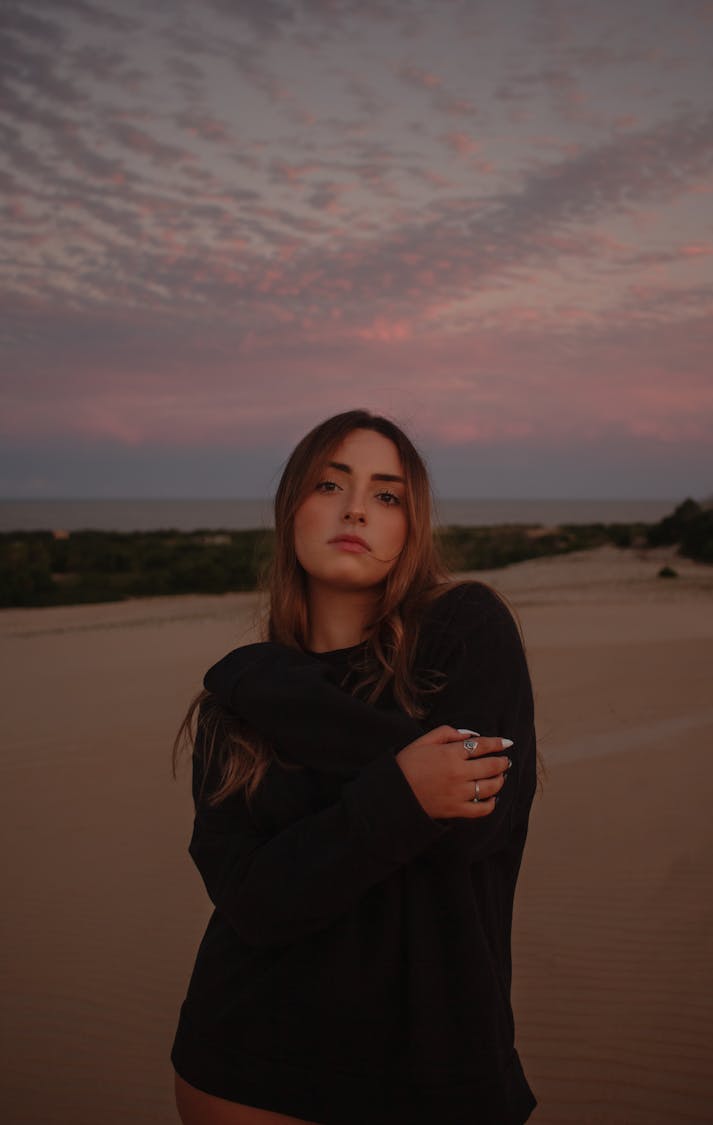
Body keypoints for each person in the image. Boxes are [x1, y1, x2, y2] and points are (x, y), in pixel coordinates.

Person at [170, 409, 538, 1125]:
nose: (356, 508)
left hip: (437, 1074)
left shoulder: (467, 631)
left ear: (412, 524)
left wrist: (271, 687)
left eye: (387, 494)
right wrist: (405, 788)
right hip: (248, 1068)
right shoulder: (233, 711)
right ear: (291, 511)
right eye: (329, 484)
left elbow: (468, 831)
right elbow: (254, 901)